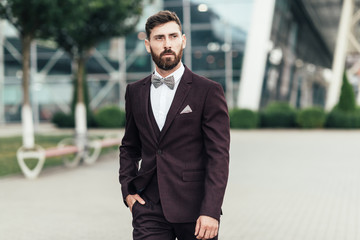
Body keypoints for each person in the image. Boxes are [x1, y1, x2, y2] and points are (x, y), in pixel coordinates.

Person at [119, 10, 230, 240]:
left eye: (173, 36)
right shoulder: (135, 92)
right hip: (149, 207)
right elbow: (129, 147)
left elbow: (218, 156)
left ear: (183, 40)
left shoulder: (208, 91)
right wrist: (128, 190)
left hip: (196, 210)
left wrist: (211, 210)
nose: (167, 44)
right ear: (148, 45)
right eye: (159, 38)